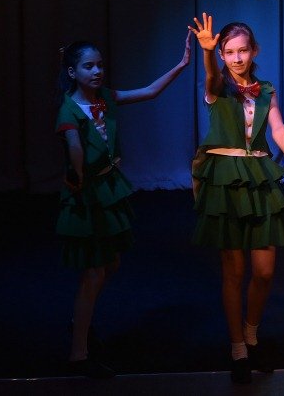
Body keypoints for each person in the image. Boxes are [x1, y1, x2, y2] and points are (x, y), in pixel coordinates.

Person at [188, 15, 284, 384]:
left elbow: (277, 127)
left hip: (258, 176)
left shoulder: (266, 90)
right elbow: (211, 77)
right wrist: (207, 53)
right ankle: (238, 348)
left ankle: (252, 333)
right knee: (234, 271)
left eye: (242, 50)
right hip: (226, 181)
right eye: (229, 52)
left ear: (254, 51)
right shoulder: (217, 86)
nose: (236, 58)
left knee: (264, 271)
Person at [56, 36, 190, 378]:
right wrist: (78, 172)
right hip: (87, 194)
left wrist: (181, 65)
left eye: (100, 65)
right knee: (94, 272)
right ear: (72, 72)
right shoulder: (69, 109)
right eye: (89, 66)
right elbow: (74, 144)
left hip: (107, 189)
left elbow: (149, 92)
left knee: (111, 264)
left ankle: (80, 320)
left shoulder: (105, 98)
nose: (97, 71)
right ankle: (78, 355)